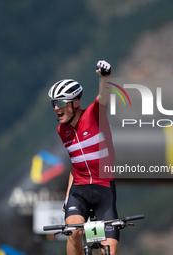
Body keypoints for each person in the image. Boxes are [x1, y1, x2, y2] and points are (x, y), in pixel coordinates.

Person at [48, 60, 119, 255]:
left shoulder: (94, 116)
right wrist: (67, 196)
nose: (56, 108)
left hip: (104, 190)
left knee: (110, 249)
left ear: (75, 102)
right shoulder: (62, 130)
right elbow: (75, 164)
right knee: (73, 233)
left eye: (61, 102)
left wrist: (105, 77)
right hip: (79, 192)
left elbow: (103, 97)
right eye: (54, 103)